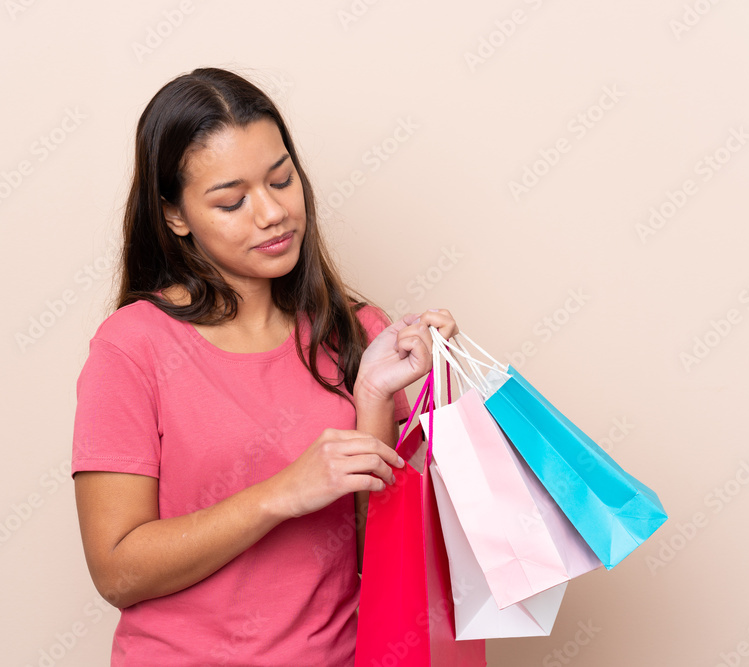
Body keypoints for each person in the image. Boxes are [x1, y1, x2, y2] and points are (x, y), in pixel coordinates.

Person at [71, 66, 458, 666]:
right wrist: (281, 493)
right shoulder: (133, 347)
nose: (272, 212)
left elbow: (391, 560)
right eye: (232, 200)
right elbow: (118, 571)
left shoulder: (360, 335)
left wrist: (375, 399)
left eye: (282, 180)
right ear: (175, 216)